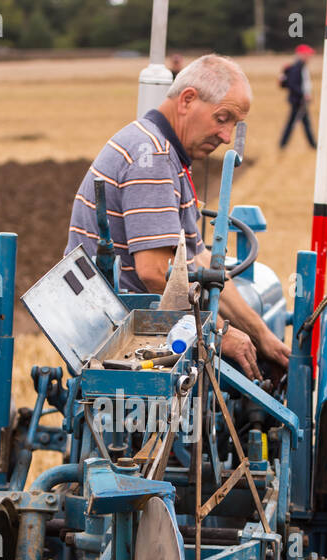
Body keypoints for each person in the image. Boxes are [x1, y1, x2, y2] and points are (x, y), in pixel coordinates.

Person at [67, 53, 290, 381]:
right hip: (120, 336)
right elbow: (156, 274)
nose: (227, 136)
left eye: (234, 125)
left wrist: (262, 335)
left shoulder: (165, 154)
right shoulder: (152, 157)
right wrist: (219, 334)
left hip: (131, 323)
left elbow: (200, 262)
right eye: (222, 118)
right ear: (187, 99)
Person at [278, 45, 317, 149]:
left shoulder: (301, 67)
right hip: (298, 101)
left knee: (302, 123)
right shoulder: (297, 67)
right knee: (294, 124)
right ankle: (283, 144)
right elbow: (292, 84)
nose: (310, 57)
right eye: (307, 55)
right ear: (301, 55)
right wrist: (304, 95)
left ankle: (312, 145)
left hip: (300, 100)